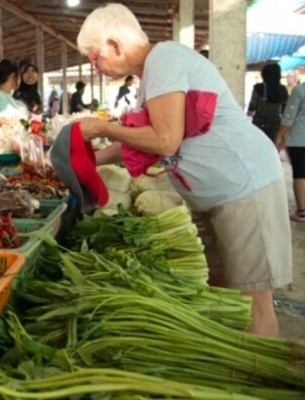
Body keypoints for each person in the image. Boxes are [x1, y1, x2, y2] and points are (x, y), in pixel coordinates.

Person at [75, 3, 291, 337]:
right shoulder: (151, 76)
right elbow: (141, 140)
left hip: (245, 186)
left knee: (252, 300)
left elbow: (164, 139)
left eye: (94, 56)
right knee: (221, 291)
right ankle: (236, 368)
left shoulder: (165, 59)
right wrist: (86, 160)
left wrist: (103, 129)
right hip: (216, 196)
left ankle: (265, 378)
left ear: (114, 44)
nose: (95, 65)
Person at [275, 82, 305, 222]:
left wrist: (280, 136)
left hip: (299, 138)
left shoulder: (300, 89)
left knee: (300, 173)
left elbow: (289, 116)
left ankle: (301, 212)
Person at [247, 63, 289, 142]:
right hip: (275, 124)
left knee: (258, 144)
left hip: (259, 123)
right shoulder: (282, 89)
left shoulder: (258, 88)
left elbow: (252, 107)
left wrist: (246, 121)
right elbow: (285, 110)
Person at [0, 59, 28, 126]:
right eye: (19, 75)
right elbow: (0, 121)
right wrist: (27, 126)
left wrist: (29, 126)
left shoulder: (5, 95)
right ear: (13, 76)